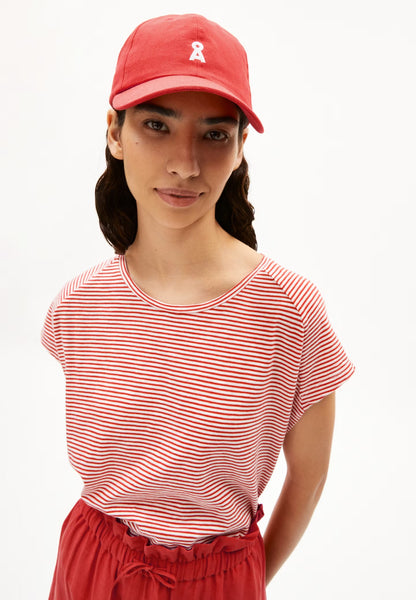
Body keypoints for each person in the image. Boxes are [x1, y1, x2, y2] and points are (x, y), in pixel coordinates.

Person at [41, 13, 355, 600]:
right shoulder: (79, 306)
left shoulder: (289, 311)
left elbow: (309, 478)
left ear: (240, 148)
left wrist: (239, 581)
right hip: (90, 568)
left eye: (214, 134)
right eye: (157, 125)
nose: (184, 164)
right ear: (115, 133)